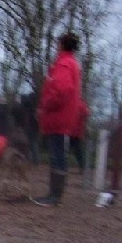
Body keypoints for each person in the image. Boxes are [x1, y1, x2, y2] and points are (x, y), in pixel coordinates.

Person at [33, 32, 83, 206]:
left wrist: (45, 105)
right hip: (64, 115)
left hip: (58, 116)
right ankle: (55, 194)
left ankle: (55, 195)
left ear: (61, 44)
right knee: (58, 154)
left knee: (57, 155)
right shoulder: (72, 64)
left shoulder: (63, 65)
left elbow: (60, 91)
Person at [69, 97, 89, 174]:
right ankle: (81, 166)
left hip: (72, 130)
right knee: (77, 149)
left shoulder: (73, 104)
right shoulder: (83, 105)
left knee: (76, 149)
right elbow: (87, 114)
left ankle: (81, 166)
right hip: (78, 130)